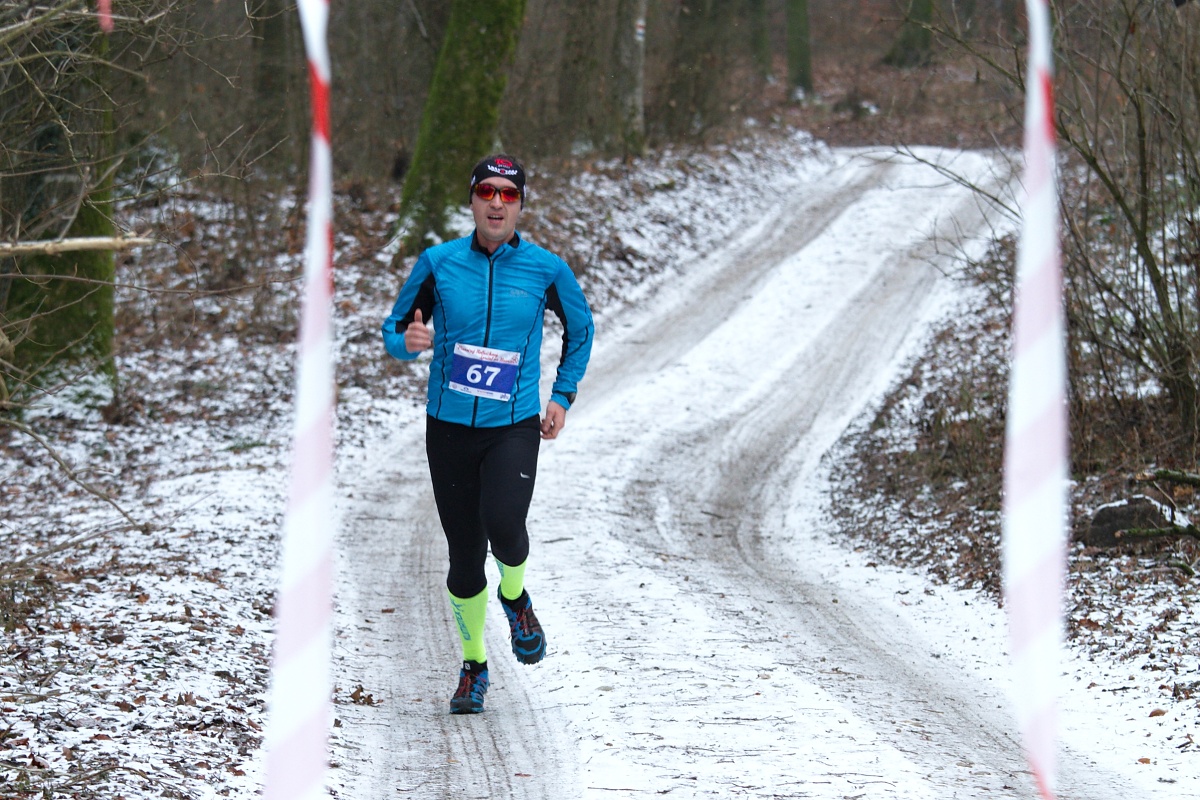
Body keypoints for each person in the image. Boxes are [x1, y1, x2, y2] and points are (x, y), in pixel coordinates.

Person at [381, 154, 594, 714]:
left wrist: (562, 395)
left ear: (520, 205)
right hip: (449, 428)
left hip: (513, 426)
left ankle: (515, 597)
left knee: (504, 522)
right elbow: (394, 328)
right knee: (465, 555)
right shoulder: (438, 263)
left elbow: (582, 328)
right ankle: (474, 666)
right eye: (487, 192)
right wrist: (407, 343)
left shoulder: (546, 270)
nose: (497, 203)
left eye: (508, 194)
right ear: (472, 200)